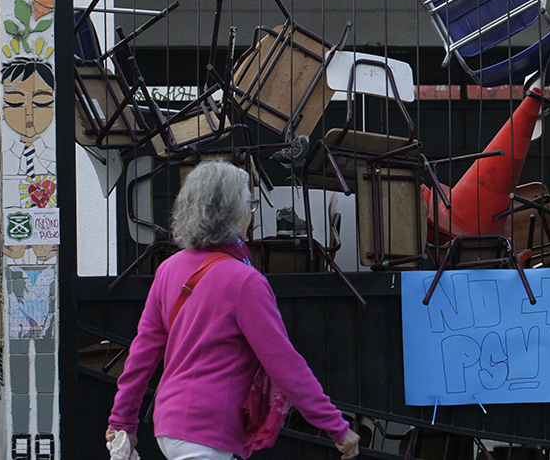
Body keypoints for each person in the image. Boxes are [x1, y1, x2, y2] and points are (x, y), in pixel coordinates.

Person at [107, 160, 360, 459]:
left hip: (170, 426)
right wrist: (336, 427)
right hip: (209, 431)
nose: (250, 214)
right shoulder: (244, 281)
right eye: (250, 205)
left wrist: (122, 420)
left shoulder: (168, 269)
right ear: (234, 211)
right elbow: (285, 365)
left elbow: (142, 354)